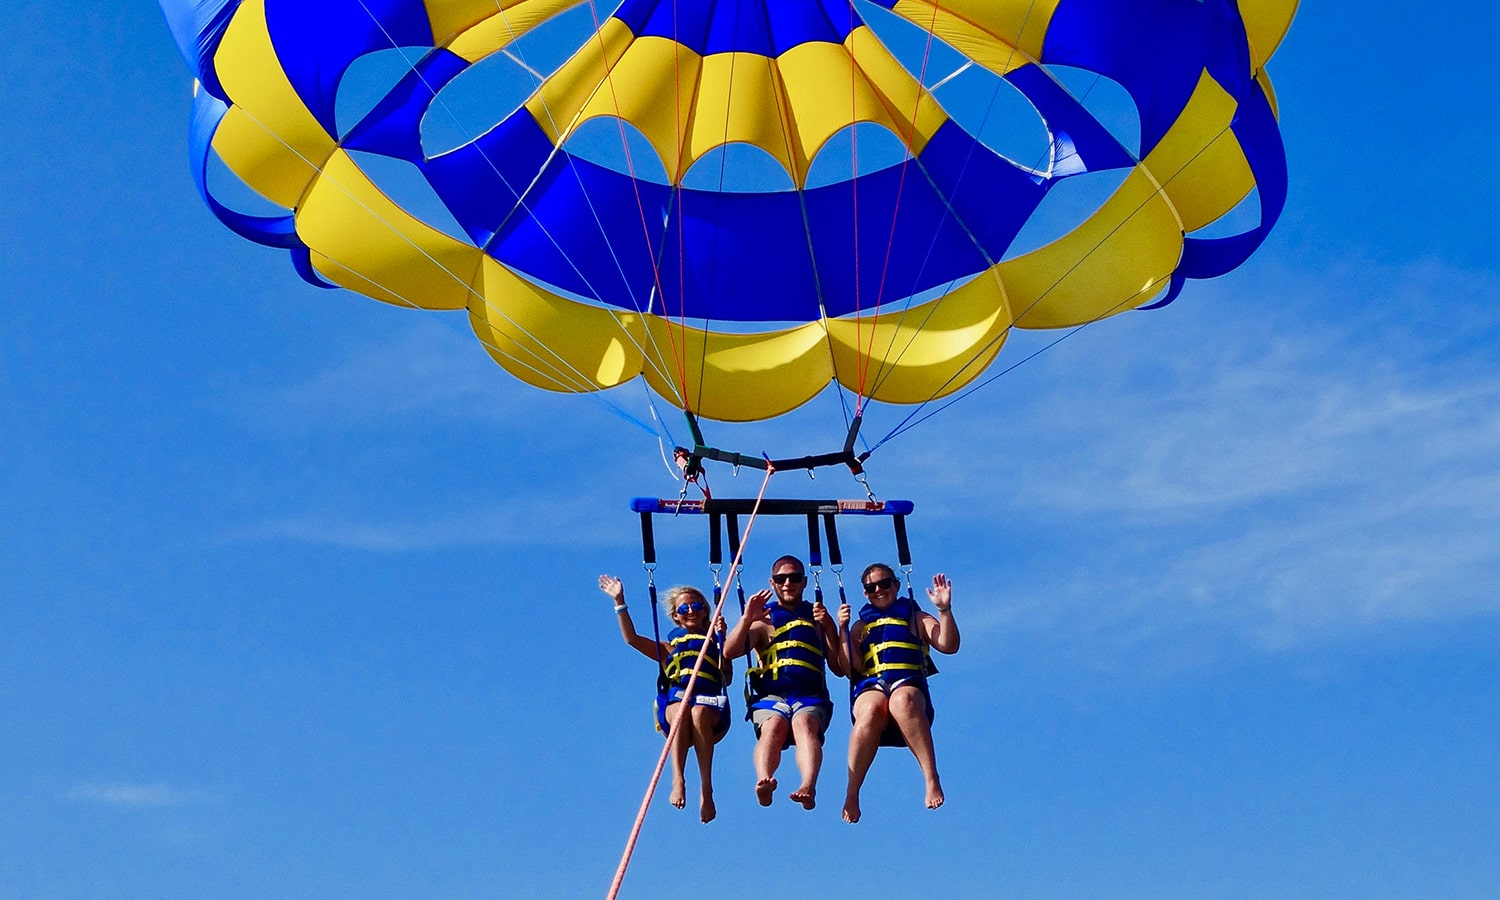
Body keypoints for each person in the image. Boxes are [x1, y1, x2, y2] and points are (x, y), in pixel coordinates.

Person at [598, 574, 731, 824]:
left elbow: (728, 677)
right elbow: (632, 639)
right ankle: (678, 778)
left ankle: (706, 789)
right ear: (676, 616)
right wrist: (620, 601)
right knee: (682, 707)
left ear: (705, 611)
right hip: (676, 709)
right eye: (684, 608)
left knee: (698, 711)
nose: (690, 610)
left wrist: (722, 643)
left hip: (710, 710)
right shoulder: (668, 649)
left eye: (696, 606)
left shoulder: (716, 643)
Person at [837, 564, 960, 823]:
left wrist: (944, 609)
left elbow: (948, 645)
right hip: (873, 687)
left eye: (884, 584)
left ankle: (931, 777)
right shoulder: (861, 626)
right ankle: (852, 792)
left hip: (907, 684)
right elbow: (851, 669)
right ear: (865, 593)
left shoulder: (915, 617)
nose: (878, 590)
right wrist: (843, 631)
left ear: (896, 585)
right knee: (871, 708)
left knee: (901, 701)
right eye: (871, 588)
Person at [723, 555, 847, 810]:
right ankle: (764, 781)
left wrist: (831, 627)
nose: (787, 583)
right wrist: (747, 618)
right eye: (781, 579)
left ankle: (808, 787)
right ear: (773, 583)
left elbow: (838, 668)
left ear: (803, 582)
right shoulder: (764, 621)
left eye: (793, 578)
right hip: (772, 698)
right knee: (774, 726)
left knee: (803, 724)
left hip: (810, 696)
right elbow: (729, 652)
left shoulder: (816, 618)